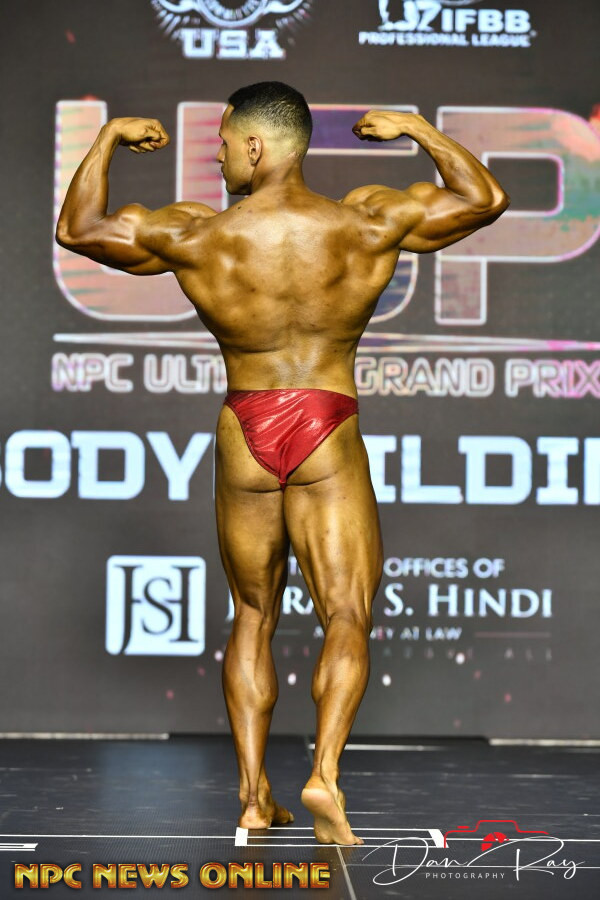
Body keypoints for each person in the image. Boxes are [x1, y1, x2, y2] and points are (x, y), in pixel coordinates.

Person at [56, 81, 509, 845]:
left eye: (223, 143)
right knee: (347, 612)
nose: (218, 157)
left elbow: (79, 229)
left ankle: (250, 798)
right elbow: (484, 199)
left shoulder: (199, 234)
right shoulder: (365, 221)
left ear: (256, 146)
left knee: (254, 615)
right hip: (327, 423)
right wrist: (418, 129)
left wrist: (105, 141)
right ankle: (324, 775)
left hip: (247, 425)